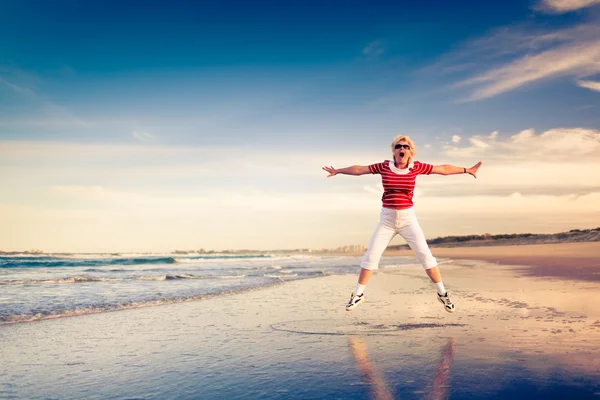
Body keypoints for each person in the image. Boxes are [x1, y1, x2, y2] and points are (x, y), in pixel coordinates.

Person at [322, 135, 482, 313]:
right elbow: (360, 169)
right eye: (398, 146)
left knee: (425, 255)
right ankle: (358, 294)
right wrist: (338, 171)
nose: (402, 149)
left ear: (410, 151)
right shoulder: (384, 166)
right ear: (394, 150)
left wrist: (468, 170)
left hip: (408, 219)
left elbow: (443, 169)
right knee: (371, 255)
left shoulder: (416, 167)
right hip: (386, 220)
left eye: (405, 147)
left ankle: (442, 294)